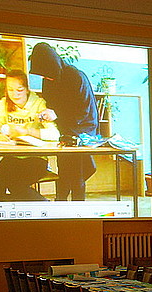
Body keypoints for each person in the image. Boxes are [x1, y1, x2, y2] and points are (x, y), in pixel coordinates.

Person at [0, 69, 59, 219]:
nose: (15, 94)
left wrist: (26, 131)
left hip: (35, 159)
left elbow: (54, 134)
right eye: (10, 90)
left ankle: (47, 207)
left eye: (19, 89)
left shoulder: (39, 103)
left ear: (27, 89)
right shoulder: (4, 103)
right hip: (12, 157)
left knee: (14, 184)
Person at [29, 42, 99, 201]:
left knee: (75, 171)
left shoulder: (76, 77)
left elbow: (82, 112)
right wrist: (45, 114)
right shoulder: (49, 76)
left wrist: (56, 114)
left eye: (45, 74)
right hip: (64, 127)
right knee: (65, 169)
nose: (45, 78)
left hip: (82, 127)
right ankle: (61, 202)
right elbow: (51, 103)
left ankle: (75, 206)